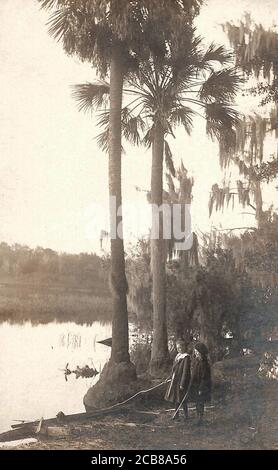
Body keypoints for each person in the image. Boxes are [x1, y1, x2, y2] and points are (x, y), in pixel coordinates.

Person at [164, 339, 191, 421]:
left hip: (181, 382)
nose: (178, 349)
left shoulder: (186, 357)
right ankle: (176, 415)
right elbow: (174, 370)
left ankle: (186, 416)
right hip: (175, 381)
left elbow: (185, 372)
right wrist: (169, 378)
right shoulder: (178, 356)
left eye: (180, 347)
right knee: (176, 398)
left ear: (183, 347)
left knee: (182, 399)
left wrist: (182, 384)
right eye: (177, 347)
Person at [188, 342, 211, 425]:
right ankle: (198, 417)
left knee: (200, 402)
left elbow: (205, 377)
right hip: (196, 385)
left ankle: (200, 419)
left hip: (202, 386)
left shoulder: (204, 364)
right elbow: (194, 373)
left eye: (198, 352)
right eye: (195, 352)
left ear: (201, 353)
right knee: (197, 402)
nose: (196, 354)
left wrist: (201, 388)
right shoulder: (197, 361)